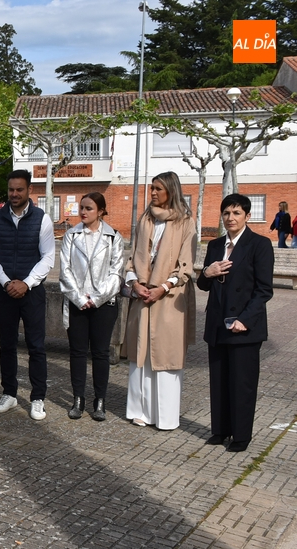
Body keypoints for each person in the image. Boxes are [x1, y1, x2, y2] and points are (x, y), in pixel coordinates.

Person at [196, 194, 273, 452]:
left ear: (247, 216)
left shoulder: (259, 244)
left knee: (242, 383)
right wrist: (208, 272)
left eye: (237, 213)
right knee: (219, 381)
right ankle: (220, 430)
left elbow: (264, 290)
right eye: (227, 213)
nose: (231, 218)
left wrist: (245, 320)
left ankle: (241, 436)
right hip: (217, 324)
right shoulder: (215, 245)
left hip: (244, 327)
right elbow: (203, 284)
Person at [124, 171, 197, 430]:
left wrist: (163, 287)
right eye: (152, 188)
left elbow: (186, 265)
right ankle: (140, 410)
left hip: (170, 298)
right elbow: (133, 256)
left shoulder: (185, 222)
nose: (153, 193)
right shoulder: (145, 219)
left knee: (166, 356)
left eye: (158, 188)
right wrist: (135, 283)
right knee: (140, 355)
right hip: (142, 295)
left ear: (171, 191)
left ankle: (165, 416)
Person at [0, 169, 55, 421]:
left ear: (29, 191)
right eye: (11, 190)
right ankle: (9, 393)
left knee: (36, 347)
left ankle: (37, 398)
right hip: (5, 292)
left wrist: (26, 283)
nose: (14, 194)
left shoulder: (42, 219)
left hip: (32, 293)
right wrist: (6, 282)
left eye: (19, 190)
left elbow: (48, 257)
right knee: (7, 345)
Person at [58, 192, 124, 421]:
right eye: (81, 208)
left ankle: (100, 400)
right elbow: (64, 270)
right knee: (77, 353)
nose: (83, 212)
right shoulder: (71, 236)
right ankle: (78, 398)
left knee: (100, 353)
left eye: (88, 208)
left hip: (104, 304)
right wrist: (79, 298)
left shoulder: (114, 237)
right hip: (77, 302)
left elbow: (116, 273)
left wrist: (96, 299)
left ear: (101, 211)